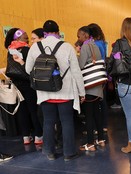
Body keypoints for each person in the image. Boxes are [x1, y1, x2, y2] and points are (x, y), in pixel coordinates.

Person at [25, 20, 86, 161]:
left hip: (45, 92)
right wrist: (81, 92)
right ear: (58, 32)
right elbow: (76, 71)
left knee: (48, 121)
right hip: (65, 91)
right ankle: (68, 153)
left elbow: (28, 70)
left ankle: (50, 152)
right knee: (66, 122)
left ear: (44, 33)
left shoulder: (35, 48)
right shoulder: (67, 47)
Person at [107, 17, 131, 154]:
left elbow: (111, 61)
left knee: (129, 115)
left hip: (126, 84)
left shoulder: (120, 43)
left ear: (123, 28)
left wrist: (108, 73)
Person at [5, 28, 43, 146]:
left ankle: (26, 137)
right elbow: (31, 68)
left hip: (17, 85)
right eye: (26, 37)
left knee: (22, 111)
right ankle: (38, 136)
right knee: (33, 110)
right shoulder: (28, 49)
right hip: (28, 83)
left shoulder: (10, 50)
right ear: (19, 37)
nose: (28, 39)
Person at [77, 26, 105, 151]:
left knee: (88, 114)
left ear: (85, 35)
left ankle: (90, 143)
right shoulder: (96, 46)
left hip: (89, 84)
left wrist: (78, 55)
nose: (78, 38)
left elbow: (81, 65)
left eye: (79, 36)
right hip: (98, 84)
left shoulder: (84, 47)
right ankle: (101, 139)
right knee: (97, 113)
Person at [88, 23, 109, 132]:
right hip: (102, 74)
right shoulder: (102, 43)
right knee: (102, 100)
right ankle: (103, 125)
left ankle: (99, 126)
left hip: (95, 75)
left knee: (97, 101)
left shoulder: (94, 44)